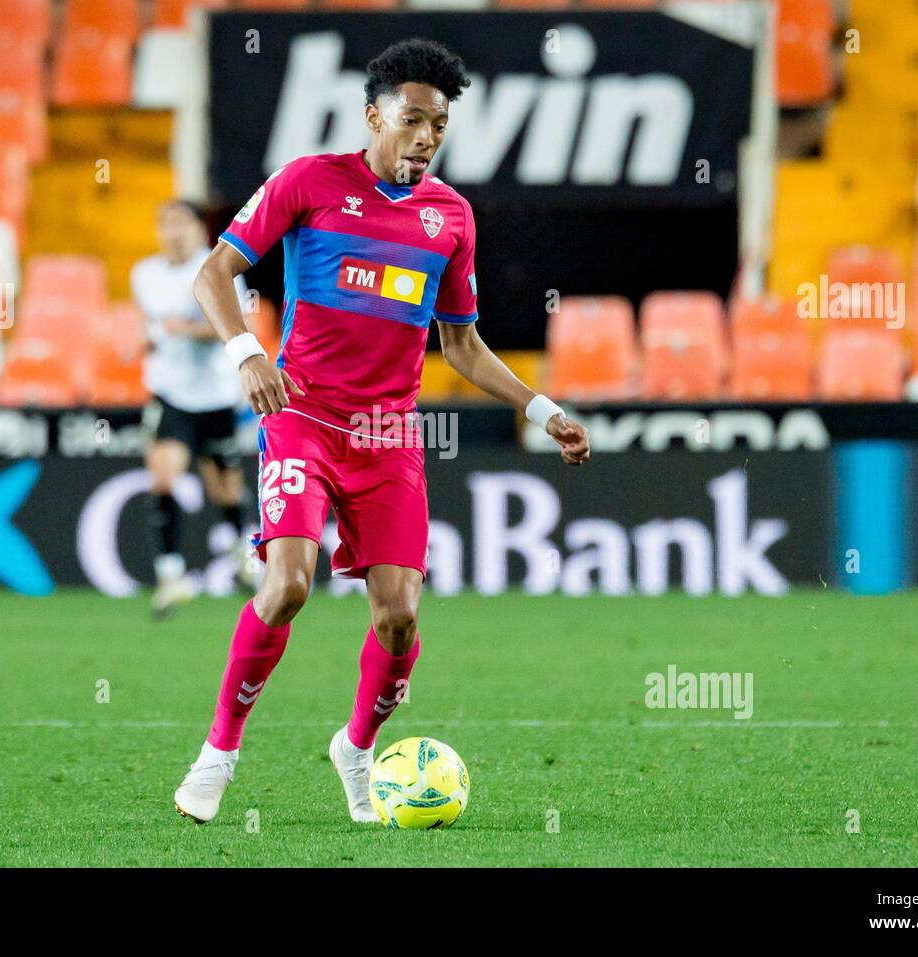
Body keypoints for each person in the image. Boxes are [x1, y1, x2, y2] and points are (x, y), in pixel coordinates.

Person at [174, 38, 590, 823]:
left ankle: (357, 746)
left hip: (388, 435)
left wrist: (543, 408)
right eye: (412, 120)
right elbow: (213, 273)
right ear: (373, 116)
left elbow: (460, 344)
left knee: (399, 618)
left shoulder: (451, 219)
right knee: (288, 583)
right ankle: (219, 751)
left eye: (439, 125)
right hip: (300, 415)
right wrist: (247, 354)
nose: (427, 138)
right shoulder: (309, 182)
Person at [133, 199, 258, 618]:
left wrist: (183, 330)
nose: (174, 233)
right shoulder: (144, 274)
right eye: (166, 225)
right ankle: (171, 577)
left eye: (181, 224)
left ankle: (242, 554)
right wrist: (148, 339)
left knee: (223, 488)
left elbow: (230, 326)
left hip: (216, 396)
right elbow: (147, 326)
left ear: (198, 230)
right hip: (170, 394)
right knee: (163, 476)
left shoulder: (216, 268)